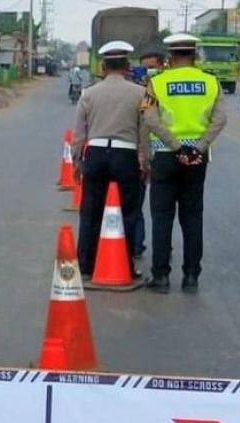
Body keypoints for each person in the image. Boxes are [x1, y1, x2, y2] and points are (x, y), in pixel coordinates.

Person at [142, 33, 227, 294]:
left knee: (162, 217)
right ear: (195, 55)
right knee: (192, 217)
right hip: (197, 159)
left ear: (170, 56)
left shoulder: (156, 82)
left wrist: (175, 146)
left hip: (165, 156)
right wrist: (197, 148)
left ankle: (161, 277)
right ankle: (191, 276)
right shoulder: (211, 83)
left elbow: (150, 118)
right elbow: (220, 119)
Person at [71, 41, 148, 279]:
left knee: (91, 210)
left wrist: (76, 161)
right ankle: (124, 263)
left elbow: (79, 132)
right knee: (128, 212)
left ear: (103, 67)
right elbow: (144, 131)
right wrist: (144, 161)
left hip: (95, 154)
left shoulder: (88, 93)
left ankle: (85, 263)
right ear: (127, 67)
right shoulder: (141, 93)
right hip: (125, 156)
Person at [128, 51, 164, 260]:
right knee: (136, 202)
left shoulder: (162, 87)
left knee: (162, 210)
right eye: (144, 68)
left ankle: (162, 253)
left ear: (161, 67)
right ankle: (136, 244)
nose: (148, 72)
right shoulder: (139, 93)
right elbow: (141, 123)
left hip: (164, 153)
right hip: (143, 153)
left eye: (152, 67)